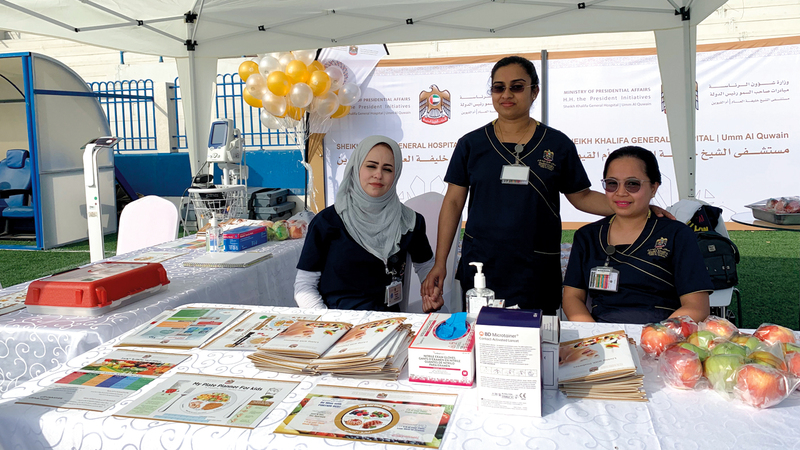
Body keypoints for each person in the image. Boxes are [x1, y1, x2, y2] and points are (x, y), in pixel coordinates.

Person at [422, 56, 670, 314]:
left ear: (534, 91)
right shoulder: (471, 145)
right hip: (483, 265)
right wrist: (441, 262)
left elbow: (582, 197)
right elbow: (453, 202)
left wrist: (633, 206)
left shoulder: (557, 145)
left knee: (538, 335)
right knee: (482, 332)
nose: (506, 94)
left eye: (517, 87)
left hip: (535, 268)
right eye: (498, 87)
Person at [562, 146, 712, 324]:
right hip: (603, 335)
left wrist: (657, 334)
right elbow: (572, 298)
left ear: (654, 187)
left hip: (663, 333)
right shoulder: (587, 237)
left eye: (632, 184)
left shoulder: (677, 235)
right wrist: (594, 335)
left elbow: (696, 307)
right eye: (612, 184)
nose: (621, 192)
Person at [294, 135, 440, 312]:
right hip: (339, 320)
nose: (378, 175)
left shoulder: (409, 222)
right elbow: (304, 286)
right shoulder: (327, 222)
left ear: (396, 174)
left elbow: (426, 266)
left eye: (387, 169)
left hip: (389, 322)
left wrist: (432, 291)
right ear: (356, 168)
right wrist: (328, 322)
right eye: (371, 166)